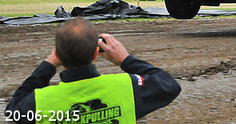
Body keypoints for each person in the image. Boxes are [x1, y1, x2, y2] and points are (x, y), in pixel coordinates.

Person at [5, 17, 181, 123]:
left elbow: (12, 111)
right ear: (96, 53)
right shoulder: (126, 87)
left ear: (58, 54)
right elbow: (169, 85)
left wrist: (48, 64)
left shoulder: (40, 101)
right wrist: (125, 59)